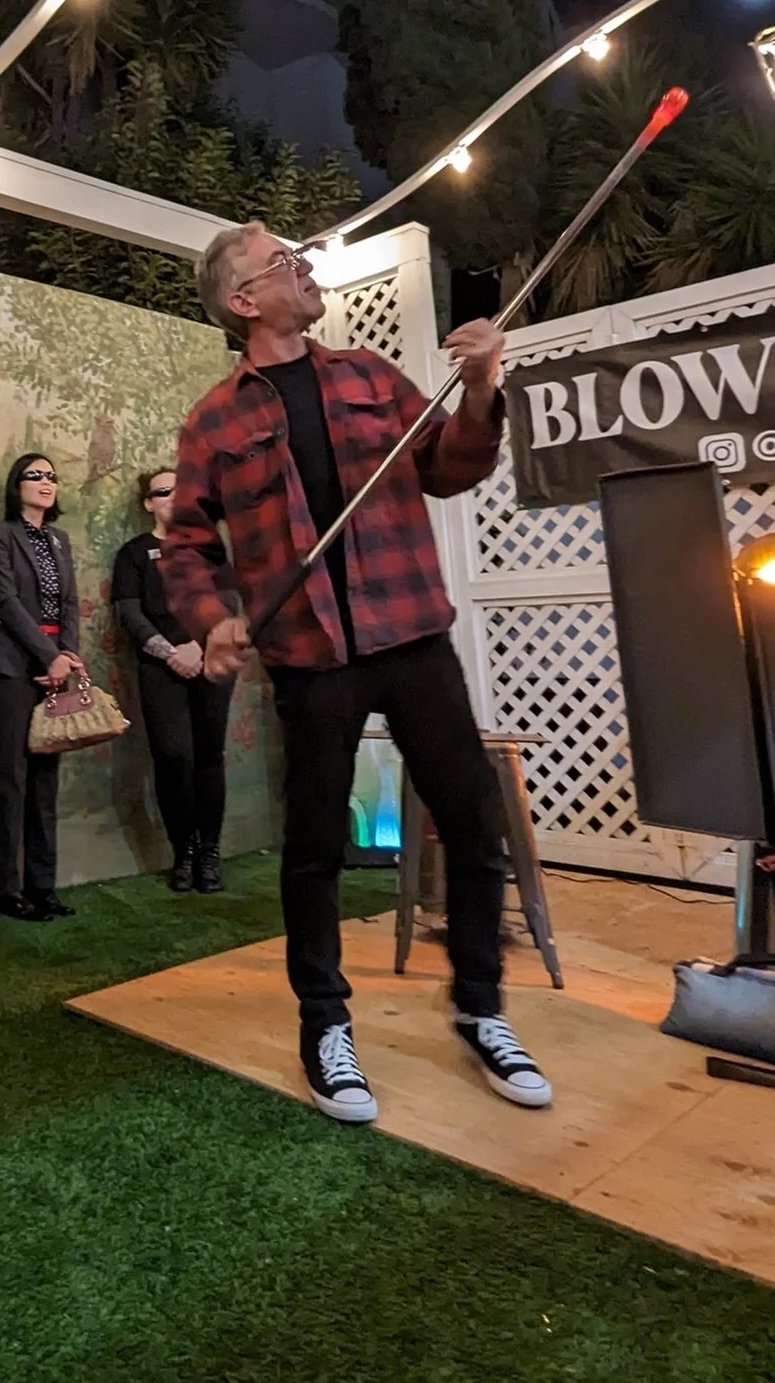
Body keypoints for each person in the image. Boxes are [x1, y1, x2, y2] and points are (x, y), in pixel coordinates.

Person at [166, 222, 552, 1124]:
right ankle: (325, 1023)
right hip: (310, 658)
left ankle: (481, 1007)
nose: (304, 267)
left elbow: (450, 467)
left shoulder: (370, 375)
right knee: (313, 849)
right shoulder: (214, 419)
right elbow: (185, 543)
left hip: (411, 634)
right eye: (283, 261)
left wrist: (483, 387)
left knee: (473, 821)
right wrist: (213, 619)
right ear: (243, 301)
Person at [0, 454, 82, 922]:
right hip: (8, 664)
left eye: (51, 476)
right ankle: (3, 888)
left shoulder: (59, 539)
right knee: (9, 776)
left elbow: (69, 603)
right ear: (17, 485)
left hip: (54, 665)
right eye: (35, 475)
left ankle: (42, 885)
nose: (45, 482)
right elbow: (6, 601)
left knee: (45, 778)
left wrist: (67, 655)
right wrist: (47, 655)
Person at [113, 466, 236, 895]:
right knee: (173, 757)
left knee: (209, 756)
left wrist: (202, 647)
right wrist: (171, 652)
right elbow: (129, 612)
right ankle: (184, 852)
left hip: (211, 661)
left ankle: (210, 854)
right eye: (164, 491)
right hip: (159, 668)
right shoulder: (133, 553)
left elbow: (229, 602)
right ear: (149, 503)